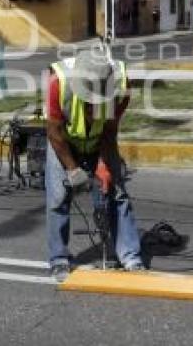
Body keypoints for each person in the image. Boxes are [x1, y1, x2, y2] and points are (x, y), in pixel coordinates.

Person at [44, 47, 145, 282]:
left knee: (116, 192)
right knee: (58, 198)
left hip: (99, 139)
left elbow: (110, 131)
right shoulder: (58, 83)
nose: (94, 106)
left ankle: (130, 256)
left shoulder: (121, 85)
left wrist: (102, 164)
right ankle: (59, 259)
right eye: (90, 101)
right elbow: (54, 133)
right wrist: (73, 170)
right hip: (65, 142)